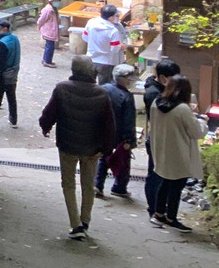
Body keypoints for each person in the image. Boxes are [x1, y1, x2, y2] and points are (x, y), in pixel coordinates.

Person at [39, 55, 117, 240]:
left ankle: (75, 224)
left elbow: (49, 113)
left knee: (68, 185)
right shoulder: (101, 93)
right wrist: (106, 148)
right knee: (88, 185)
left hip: (68, 145)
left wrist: (45, 126)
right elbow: (109, 124)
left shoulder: (62, 88)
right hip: (92, 149)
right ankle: (86, 220)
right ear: (92, 71)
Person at [149, 75, 207, 232]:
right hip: (179, 151)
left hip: (161, 149)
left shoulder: (156, 103)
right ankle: (171, 218)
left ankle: (158, 214)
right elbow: (196, 132)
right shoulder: (182, 109)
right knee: (177, 185)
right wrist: (203, 121)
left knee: (164, 181)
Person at [143, 58, 182, 220]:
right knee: (156, 174)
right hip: (157, 138)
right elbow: (164, 112)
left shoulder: (157, 89)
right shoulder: (153, 93)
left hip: (160, 137)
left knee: (159, 173)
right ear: (163, 78)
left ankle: (158, 207)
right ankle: (154, 207)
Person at [94, 63, 137, 199]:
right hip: (119, 134)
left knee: (103, 158)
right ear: (124, 79)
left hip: (102, 130)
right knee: (122, 160)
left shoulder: (103, 89)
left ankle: (98, 185)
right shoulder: (127, 97)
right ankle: (120, 187)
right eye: (130, 78)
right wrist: (129, 140)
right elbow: (129, 121)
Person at [82, 4, 124, 84]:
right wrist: (121, 46)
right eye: (116, 15)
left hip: (91, 59)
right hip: (106, 63)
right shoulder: (113, 31)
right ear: (110, 17)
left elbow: (85, 37)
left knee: (89, 84)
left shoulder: (91, 23)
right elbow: (115, 49)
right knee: (104, 87)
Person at [37, 0, 61, 67]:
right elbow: (42, 19)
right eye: (55, 0)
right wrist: (39, 25)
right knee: (49, 47)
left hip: (52, 30)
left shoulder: (53, 9)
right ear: (51, 1)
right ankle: (47, 61)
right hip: (49, 30)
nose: (57, 2)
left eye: (58, 0)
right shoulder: (48, 10)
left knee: (50, 46)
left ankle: (46, 59)